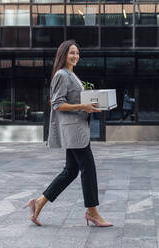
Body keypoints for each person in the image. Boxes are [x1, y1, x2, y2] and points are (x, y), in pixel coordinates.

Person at [24, 40, 113, 227]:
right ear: (63, 54)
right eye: (72, 53)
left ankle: (39, 201)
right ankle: (92, 212)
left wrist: (91, 105)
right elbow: (57, 103)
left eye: (77, 53)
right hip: (73, 130)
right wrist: (83, 106)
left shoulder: (72, 74)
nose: (75, 56)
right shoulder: (62, 75)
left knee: (71, 171)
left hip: (78, 128)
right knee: (88, 169)